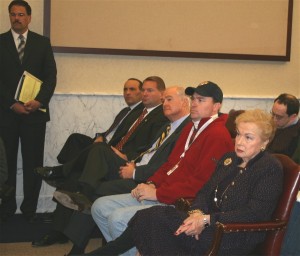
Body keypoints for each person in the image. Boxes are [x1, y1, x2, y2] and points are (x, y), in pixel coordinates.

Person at [87, 109, 283, 256]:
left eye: (248, 137)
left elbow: (254, 213)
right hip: (206, 225)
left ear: (265, 142)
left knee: (156, 223)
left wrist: (206, 220)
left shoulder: (269, 167)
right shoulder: (229, 159)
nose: (239, 142)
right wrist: (196, 213)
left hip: (231, 235)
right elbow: (204, 193)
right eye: (238, 134)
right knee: (149, 216)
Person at [40, 86, 191, 255]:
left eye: (168, 99)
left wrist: (134, 171)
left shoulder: (187, 129)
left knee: (95, 187)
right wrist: (133, 163)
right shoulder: (168, 127)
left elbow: (166, 165)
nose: (164, 104)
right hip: (136, 167)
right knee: (87, 167)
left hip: (146, 180)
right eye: (164, 100)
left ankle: (78, 245)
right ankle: (75, 236)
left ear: (185, 102)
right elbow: (147, 151)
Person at [90, 81, 234, 256]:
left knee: (118, 219)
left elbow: (200, 185)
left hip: (181, 203)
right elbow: (170, 164)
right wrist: (151, 183)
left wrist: (158, 194)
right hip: (165, 192)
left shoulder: (217, 135)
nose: (194, 103)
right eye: (193, 98)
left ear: (216, 106)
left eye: (201, 100)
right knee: (100, 206)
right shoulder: (191, 127)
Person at [0, 0, 57, 222]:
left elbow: (51, 77)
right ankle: (6, 208)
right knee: (7, 163)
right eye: (13, 14)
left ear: (29, 17)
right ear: (9, 16)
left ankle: (30, 210)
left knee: (34, 163)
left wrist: (39, 101)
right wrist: (10, 104)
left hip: (35, 113)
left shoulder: (42, 43)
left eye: (21, 14)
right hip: (6, 114)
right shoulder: (1, 42)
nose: (17, 18)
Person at [56, 78, 144, 164]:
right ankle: (67, 169)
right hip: (104, 143)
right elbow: (111, 131)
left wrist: (107, 144)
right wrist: (101, 136)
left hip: (114, 148)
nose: (127, 92)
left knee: (90, 150)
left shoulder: (142, 112)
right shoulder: (124, 111)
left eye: (132, 89)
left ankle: (60, 171)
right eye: (125, 89)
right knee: (75, 139)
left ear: (141, 92)